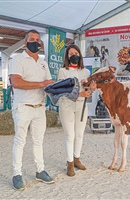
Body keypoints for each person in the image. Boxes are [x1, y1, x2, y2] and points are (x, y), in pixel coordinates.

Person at [8, 29, 55, 191]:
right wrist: (41, 84)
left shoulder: (43, 62)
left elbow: (49, 82)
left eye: (38, 40)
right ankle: (17, 174)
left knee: (38, 140)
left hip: (40, 107)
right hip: (23, 107)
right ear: (25, 42)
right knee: (20, 140)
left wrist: (59, 87)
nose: (35, 42)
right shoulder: (17, 59)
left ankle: (40, 170)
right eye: (32, 39)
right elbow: (16, 82)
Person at [58, 44, 96, 176]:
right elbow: (62, 91)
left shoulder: (85, 72)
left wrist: (91, 88)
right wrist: (80, 94)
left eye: (76, 53)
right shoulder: (63, 71)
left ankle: (77, 159)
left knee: (79, 134)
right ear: (67, 57)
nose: (73, 55)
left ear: (80, 55)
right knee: (70, 135)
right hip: (66, 105)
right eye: (70, 53)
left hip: (82, 105)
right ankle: (69, 163)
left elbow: (88, 89)